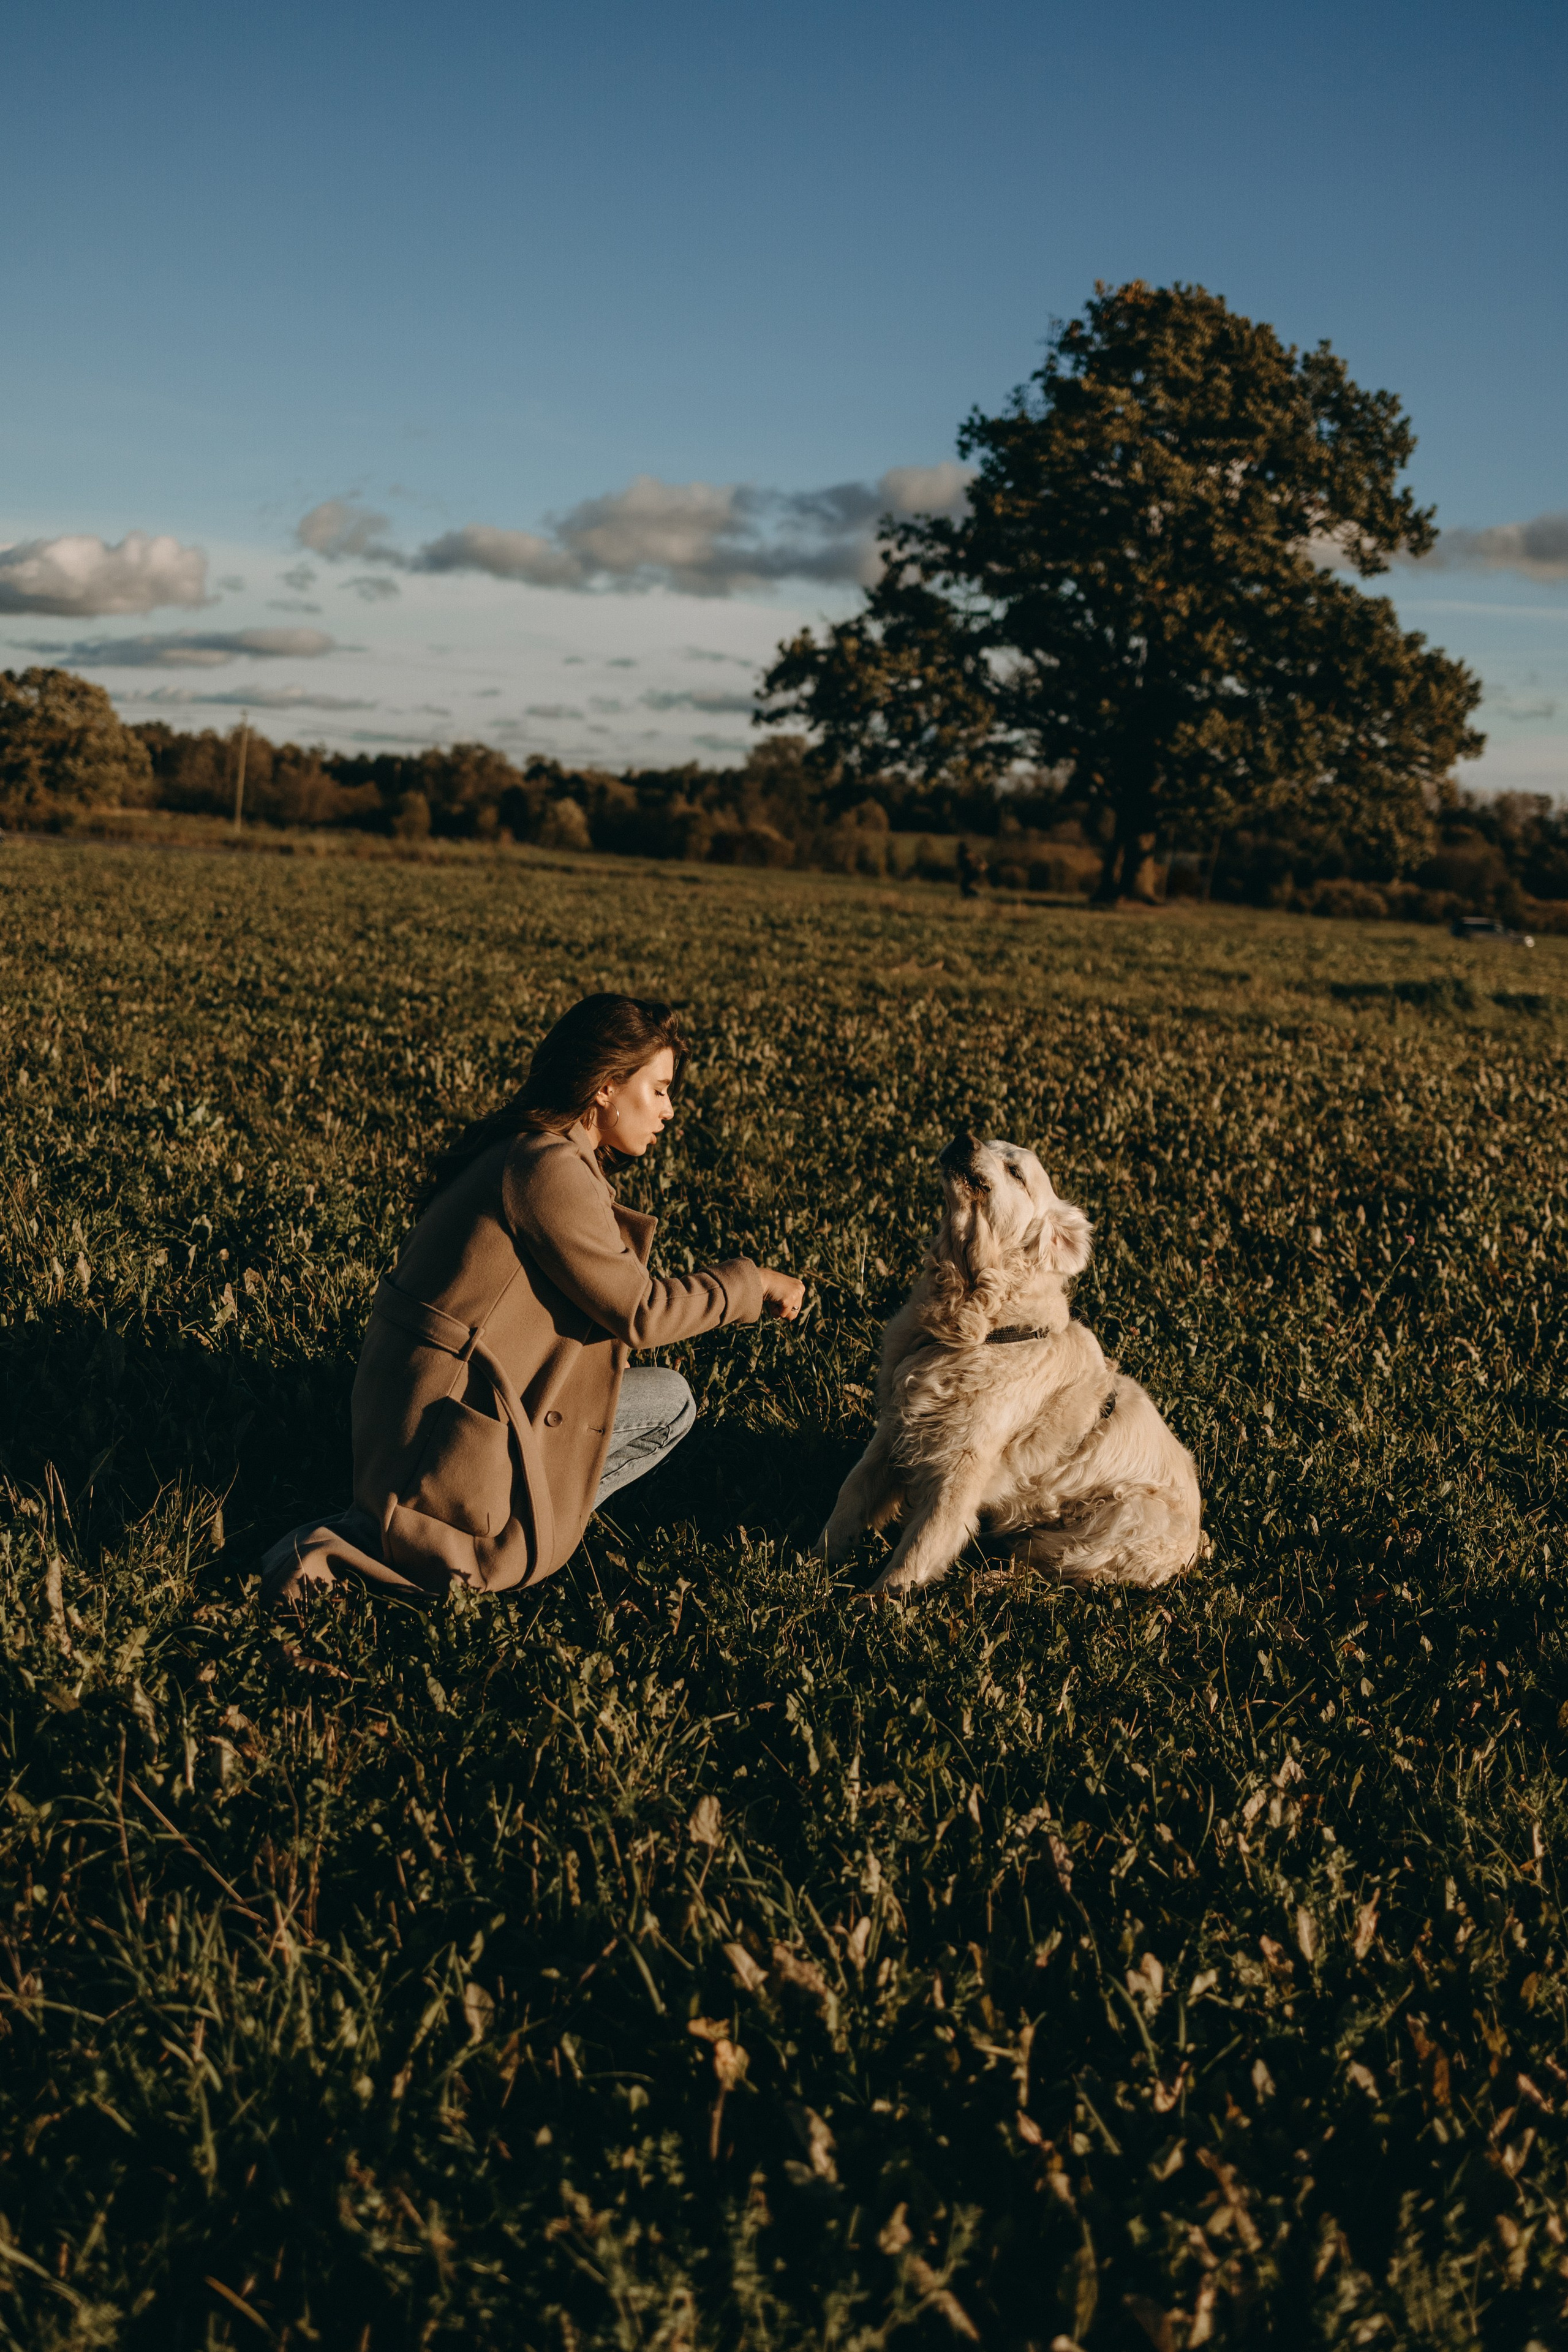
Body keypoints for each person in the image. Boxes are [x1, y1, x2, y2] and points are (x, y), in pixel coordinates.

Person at [261, 995, 804, 1605]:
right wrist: (750, 1285)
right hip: (441, 1440)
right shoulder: (547, 1169)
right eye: (658, 1090)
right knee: (670, 1405)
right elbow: (641, 1313)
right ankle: (487, 1540)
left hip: (437, 1412)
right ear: (605, 1088)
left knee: (660, 1402)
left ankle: (527, 1527)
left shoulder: (534, 1150)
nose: (669, 1110)